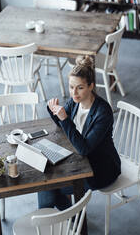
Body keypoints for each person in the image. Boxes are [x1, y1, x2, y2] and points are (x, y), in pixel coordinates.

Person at [38, 55, 121, 210]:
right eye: (71, 87)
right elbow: (63, 125)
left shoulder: (103, 112)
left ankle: (66, 221)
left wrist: (64, 118)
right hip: (78, 159)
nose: (74, 92)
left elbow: (84, 148)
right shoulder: (75, 101)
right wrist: (53, 111)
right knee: (46, 180)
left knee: (49, 186)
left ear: (91, 86)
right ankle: (66, 220)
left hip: (101, 168)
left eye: (80, 87)